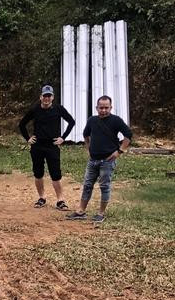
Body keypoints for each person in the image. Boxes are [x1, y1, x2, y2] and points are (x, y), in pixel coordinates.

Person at [66, 95, 132, 224]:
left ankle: (101, 213)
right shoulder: (92, 120)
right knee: (87, 185)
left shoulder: (116, 120)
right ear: (97, 108)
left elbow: (128, 135)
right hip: (93, 160)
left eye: (106, 108)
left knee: (104, 186)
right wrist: (88, 149)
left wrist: (120, 151)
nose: (103, 110)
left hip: (107, 161)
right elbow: (86, 134)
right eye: (101, 107)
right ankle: (81, 211)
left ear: (111, 107)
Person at [19, 84, 75, 209]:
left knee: (55, 174)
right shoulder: (35, 110)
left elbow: (71, 122)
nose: (47, 98)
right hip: (37, 146)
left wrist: (63, 138)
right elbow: (22, 124)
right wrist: (28, 138)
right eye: (45, 96)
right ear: (41, 97)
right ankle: (41, 197)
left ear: (53, 97)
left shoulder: (58, 109)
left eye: (49, 96)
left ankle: (60, 200)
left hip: (52, 146)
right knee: (38, 173)